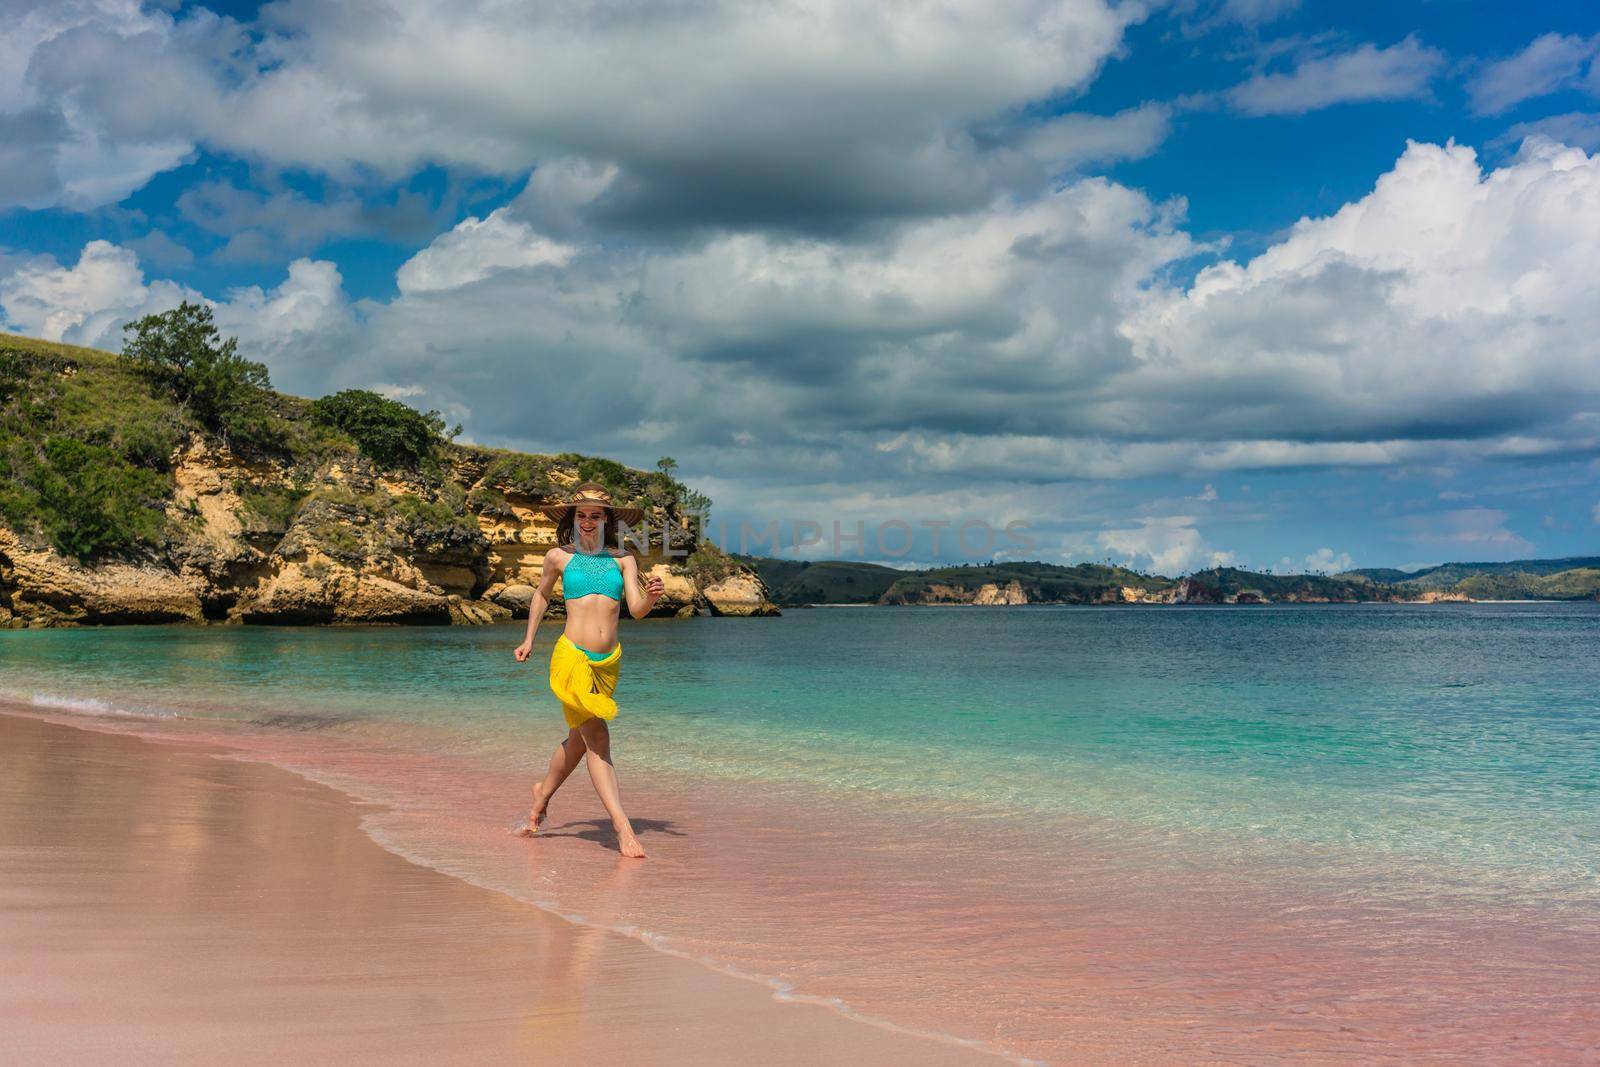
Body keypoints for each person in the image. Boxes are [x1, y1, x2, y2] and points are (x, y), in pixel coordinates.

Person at [513, 481, 664, 858]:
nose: (587, 522)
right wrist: (529, 638)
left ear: (607, 520)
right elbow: (542, 594)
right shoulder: (558, 557)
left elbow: (637, 609)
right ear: (572, 518)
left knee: (578, 743)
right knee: (598, 739)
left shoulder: (623, 560)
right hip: (572, 658)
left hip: (608, 664)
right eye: (581, 515)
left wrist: (651, 597)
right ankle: (622, 827)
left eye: (595, 516)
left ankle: (540, 798)